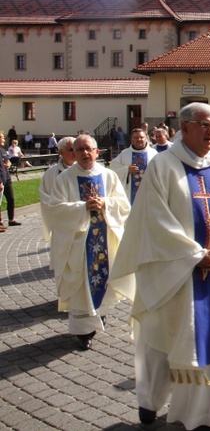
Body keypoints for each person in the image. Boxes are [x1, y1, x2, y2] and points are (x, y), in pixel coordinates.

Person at [109, 103, 210, 430]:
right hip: (172, 274)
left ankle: (207, 417)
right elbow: (154, 222)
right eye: (203, 125)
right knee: (160, 341)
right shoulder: (163, 167)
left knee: (208, 344)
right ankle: (150, 399)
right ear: (184, 127)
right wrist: (193, 254)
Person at [47, 135, 131, 350]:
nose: (85, 153)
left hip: (104, 239)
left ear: (96, 152)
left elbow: (123, 205)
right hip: (78, 244)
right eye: (80, 150)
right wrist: (82, 207)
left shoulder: (108, 176)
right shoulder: (64, 179)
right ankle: (84, 332)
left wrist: (105, 203)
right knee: (81, 284)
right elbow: (55, 209)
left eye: (89, 149)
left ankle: (99, 316)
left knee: (103, 279)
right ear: (73, 154)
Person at [39, 137, 77, 248]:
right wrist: (59, 208)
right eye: (71, 149)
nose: (75, 152)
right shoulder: (51, 173)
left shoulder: (85, 170)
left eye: (76, 149)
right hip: (60, 220)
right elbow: (44, 195)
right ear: (61, 152)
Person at [110, 129, 158, 204]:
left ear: (146, 138)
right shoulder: (124, 153)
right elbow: (113, 169)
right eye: (135, 138)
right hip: (130, 193)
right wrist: (127, 170)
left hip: (150, 192)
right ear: (131, 139)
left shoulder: (154, 153)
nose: (139, 139)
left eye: (141, 137)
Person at [0, 131, 20, 228]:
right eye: (2, 138)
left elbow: (8, 160)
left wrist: (8, 164)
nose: (4, 139)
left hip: (7, 177)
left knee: (11, 199)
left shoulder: (3, 150)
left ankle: (11, 219)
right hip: (0, 178)